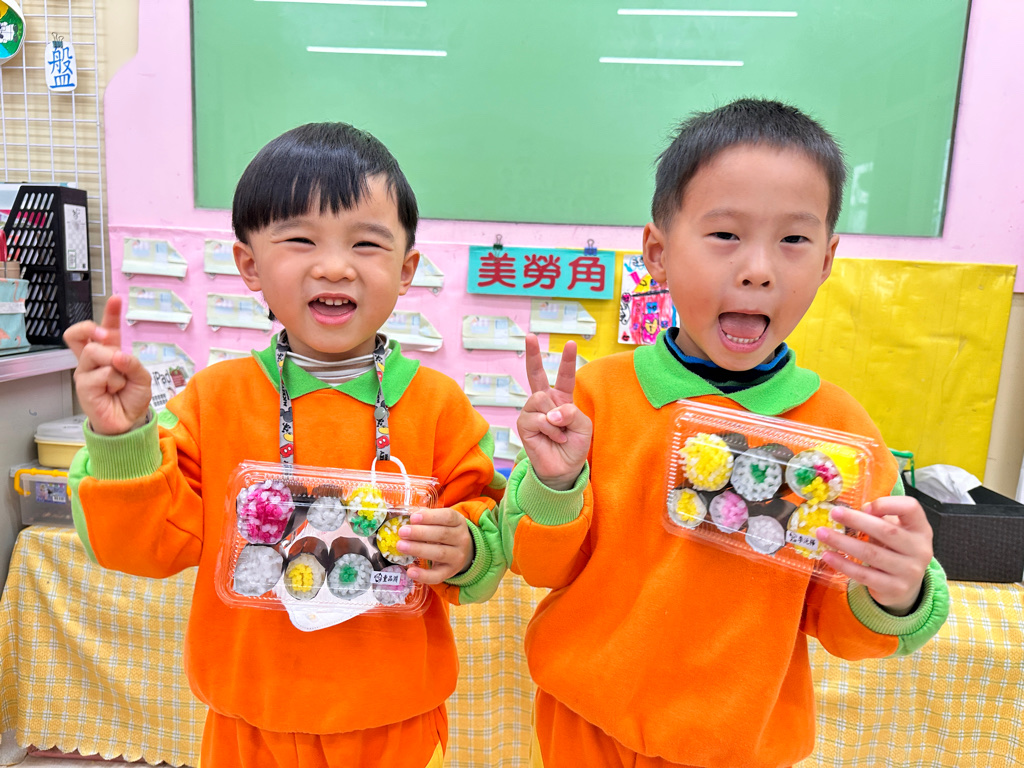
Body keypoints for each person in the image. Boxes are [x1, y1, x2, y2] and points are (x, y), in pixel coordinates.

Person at [501, 99, 950, 768]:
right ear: (657, 253)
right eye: (725, 234)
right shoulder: (595, 400)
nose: (758, 269)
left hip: (742, 750)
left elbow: (847, 631)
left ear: (828, 260)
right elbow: (539, 566)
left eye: (793, 240)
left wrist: (897, 590)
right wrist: (556, 482)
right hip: (584, 729)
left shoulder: (840, 434)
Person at [65, 123, 506, 768]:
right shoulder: (215, 401)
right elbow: (144, 546)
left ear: (406, 270)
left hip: (395, 729)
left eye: (366, 243)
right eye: (301, 240)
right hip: (248, 730)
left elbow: (485, 535)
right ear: (249, 264)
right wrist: (122, 439)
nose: (334, 266)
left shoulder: (438, 406)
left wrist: (465, 548)